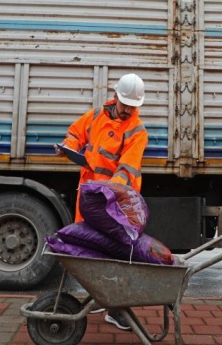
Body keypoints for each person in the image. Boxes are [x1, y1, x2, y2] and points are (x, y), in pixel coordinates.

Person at [56, 73, 149, 331]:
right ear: (116, 96)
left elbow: (127, 167)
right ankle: (102, 297)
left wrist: (110, 189)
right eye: (126, 103)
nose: (129, 109)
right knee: (90, 249)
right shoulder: (96, 115)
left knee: (115, 253)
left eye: (134, 105)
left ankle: (115, 307)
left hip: (115, 203)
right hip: (90, 197)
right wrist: (67, 146)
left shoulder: (137, 131)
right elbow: (75, 134)